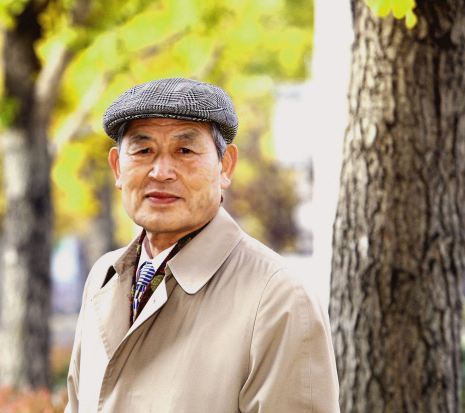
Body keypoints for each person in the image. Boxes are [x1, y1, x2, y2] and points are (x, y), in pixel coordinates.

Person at [65, 78, 339, 412]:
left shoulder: (277, 298)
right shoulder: (103, 278)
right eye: (143, 150)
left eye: (185, 151)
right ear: (117, 167)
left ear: (226, 166)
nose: (161, 172)